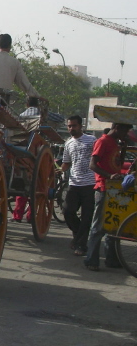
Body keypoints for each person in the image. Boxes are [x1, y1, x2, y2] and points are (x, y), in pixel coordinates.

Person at [84, 123, 132, 271]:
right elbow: (92, 165)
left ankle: (111, 259)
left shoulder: (115, 143)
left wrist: (123, 148)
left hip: (114, 189)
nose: (126, 134)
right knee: (98, 226)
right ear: (117, 127)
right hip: (103, 187)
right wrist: (109, 176)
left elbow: (118, 163)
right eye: (125, 130)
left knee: (113, 225)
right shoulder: (102, 141)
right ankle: (91, 259)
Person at [60, 115, 97, 256]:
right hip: (74, 183)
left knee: (87, 216)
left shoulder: (92, 140)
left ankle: (81, 245)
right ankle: (78, 233)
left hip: (90, 183)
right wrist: (59, 170)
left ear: (81, 126)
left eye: (74, 126)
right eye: (69, 126)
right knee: (67, 211)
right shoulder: (68, 143)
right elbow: (66, 163)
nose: (71, 129)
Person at [0, 34, 40, 98]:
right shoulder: (15, 62)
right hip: (5, 99)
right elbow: (24, 83)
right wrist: (38, 96)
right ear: (9, 46)